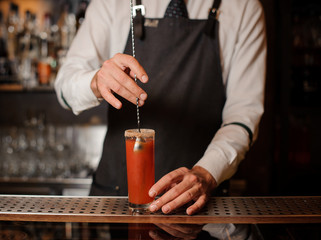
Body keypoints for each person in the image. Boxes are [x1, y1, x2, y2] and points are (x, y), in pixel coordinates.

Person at [54, 0, 267, 215]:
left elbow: (243, 114)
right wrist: (96, 81)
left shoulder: (243, 7)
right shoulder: (112, 3)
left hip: (197, 203)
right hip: (118, 198)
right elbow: (65, 87)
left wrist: (207, 172)